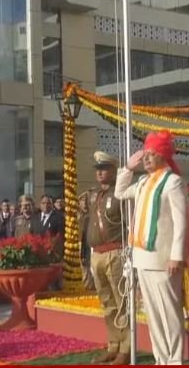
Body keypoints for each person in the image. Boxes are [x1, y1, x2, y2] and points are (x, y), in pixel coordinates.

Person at [115, 130, 188, 365]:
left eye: (151, 154)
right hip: (142, 259)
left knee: (170, 314)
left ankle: (175, 360)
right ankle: (161, 359)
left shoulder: (173, 182)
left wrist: (176, 256)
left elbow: (181, 222)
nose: (145, 158)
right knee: (154, 316)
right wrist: (128, 168)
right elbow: (119, 193)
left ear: (163, 156)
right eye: (145, 154)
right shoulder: (143, 181)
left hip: (164, 260)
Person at [82, 151, 129, 364]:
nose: (100, 172)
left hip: (115, 252)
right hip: (97, 254)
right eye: (98, 169)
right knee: (107, 302)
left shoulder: (119, 193)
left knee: (121, 303)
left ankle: (126, 349)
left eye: (104, 169)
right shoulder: (93, 196)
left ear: (112, 170)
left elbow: (129, 224)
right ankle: (113, 344)